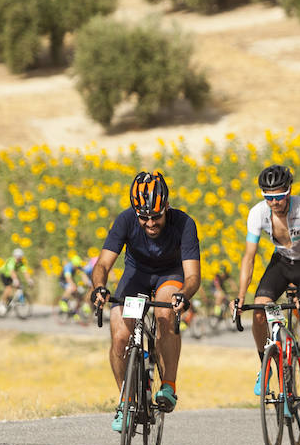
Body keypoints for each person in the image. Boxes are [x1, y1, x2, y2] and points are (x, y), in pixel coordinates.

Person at [90, 171, 201, 431]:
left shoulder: (184, 224)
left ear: (167, 207)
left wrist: (184, 295)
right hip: (137, 275)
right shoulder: (126, 220)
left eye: (156, 216)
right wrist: (99, 287)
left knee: (164, 313)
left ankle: (169, 386)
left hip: (170, 275)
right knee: (119, 334)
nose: (150, 223)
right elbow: (103, 263)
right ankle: (125, 401)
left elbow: (193, 275)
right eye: (144, 217)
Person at [234, 164, 300, 435]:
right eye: (268, 196)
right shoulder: (257, 213)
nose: (274, 202)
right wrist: (240, 296)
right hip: (282, 263)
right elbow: (249, 257)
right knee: (259, 311)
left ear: (289, 192)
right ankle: (266, 364)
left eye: (279, 195)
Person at [59, 253, 93, 320]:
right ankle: (63, 301)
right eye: (76, 266)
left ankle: (75, 312)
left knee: (79, 297)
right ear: (73, 264)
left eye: (78, 266)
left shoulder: (77, 266)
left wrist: (88, 283)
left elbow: (83, 274)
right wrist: (73, 285)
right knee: (71, 287)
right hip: (64, 281)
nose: (77, 267)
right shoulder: (68, 267)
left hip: (71, 280)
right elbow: (68, 278)